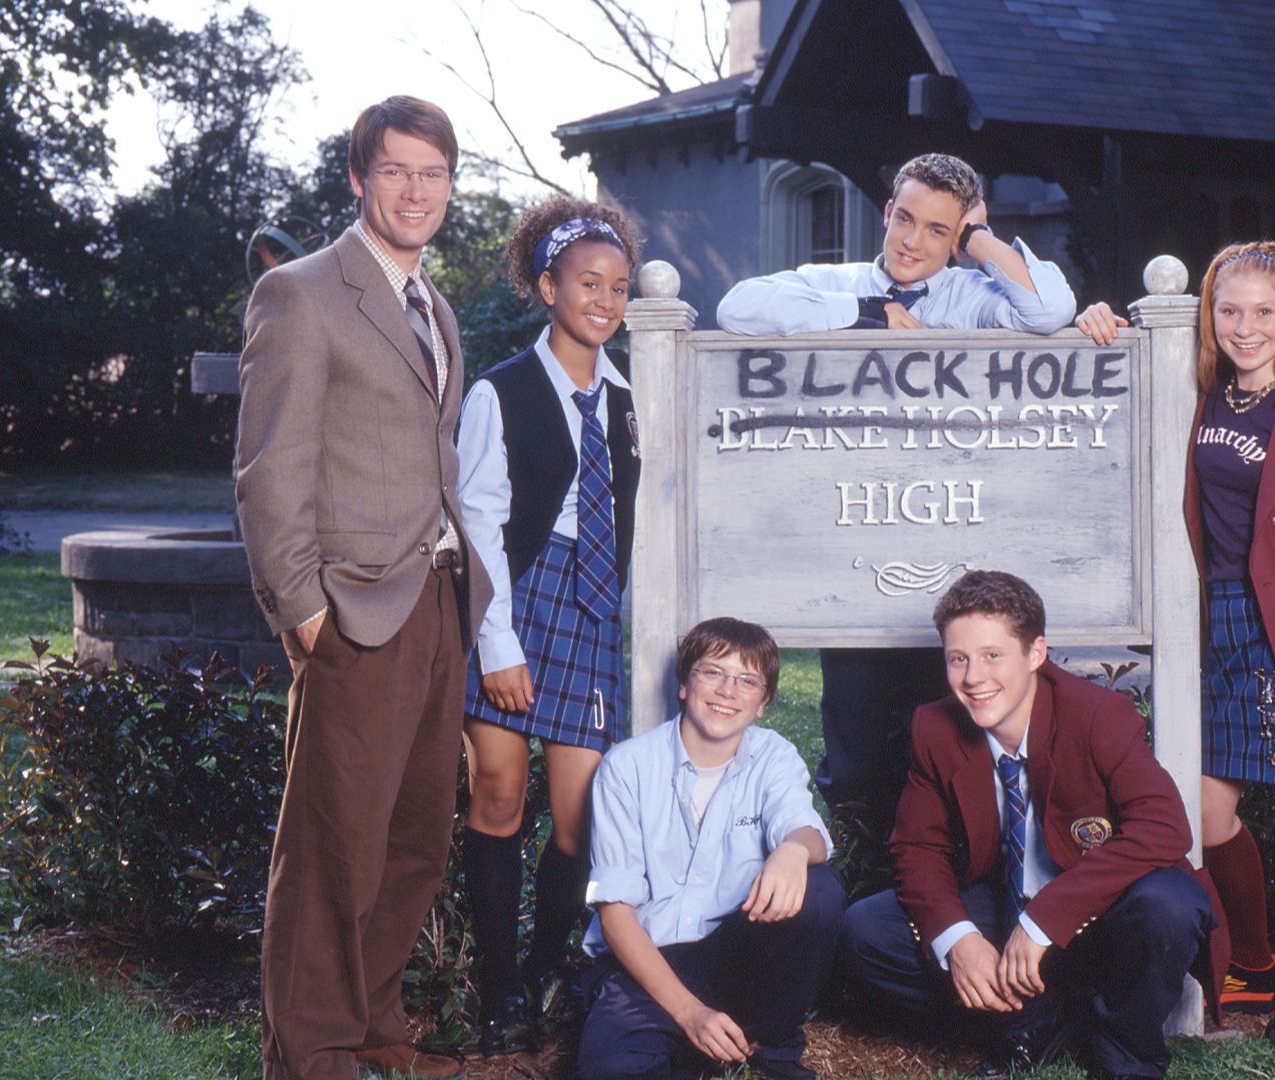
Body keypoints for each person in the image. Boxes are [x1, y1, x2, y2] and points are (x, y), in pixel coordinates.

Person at [715, 152, 1079, 869]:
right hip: (857, 534)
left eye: (938, 230)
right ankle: (860, 882)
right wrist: (862, 316)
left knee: (943, 738)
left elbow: (1048, 310)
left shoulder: (973, 296)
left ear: (958, 236)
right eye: (905, 219)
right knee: (854, 739)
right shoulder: (835, 284)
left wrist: (979, 240)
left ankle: (949, 884)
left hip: (950, 535)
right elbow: (736, 308)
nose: (913, 241)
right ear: (886, 212)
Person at [1078, 240, 1275, 1051]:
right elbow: (1116, 378)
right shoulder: (1196, 392)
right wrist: (1095, 322)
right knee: (1207, 811)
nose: (1246, 327)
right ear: (1209, 315)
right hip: (1215, 626)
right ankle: (1253, 959)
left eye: (1264, 312)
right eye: (1229, 311)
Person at [236, 95, 489, 1080]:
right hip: (353, 610)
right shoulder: (300, 294)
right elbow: (270, 469)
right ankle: (312, 1052)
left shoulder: (433, 305)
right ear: (358, 178)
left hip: (436, 598)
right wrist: (302, 608)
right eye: (395, 171)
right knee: (333, 846)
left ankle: (374, 1022)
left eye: (433, 173)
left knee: (415, 834)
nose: (415, 191)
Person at [840, 571, 1215, 1079]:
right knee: (867, 930)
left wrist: (1043, 921)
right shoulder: (935, 726)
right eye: (958, 658)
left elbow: (1164, 827)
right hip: (1001, 905)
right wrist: (958, 938)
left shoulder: (1098, 714)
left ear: (1036, 653)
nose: (974, 677)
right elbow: (916, 848)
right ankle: (1032, 1020)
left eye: (993, 655)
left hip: (1095, 913)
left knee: (1169, 903)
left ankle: (1122, 1049)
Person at [453, 197, 645, 1055]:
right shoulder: (500, 391)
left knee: (579, 819)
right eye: (587, 283)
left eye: (618, 287)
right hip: (516, 596)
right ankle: (500, 991)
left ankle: (544, 965)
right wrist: (496, 647)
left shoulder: (630, 400)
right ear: (548, 287)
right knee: (498, 792)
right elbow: (478, 525)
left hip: (592, 607)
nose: (604, 300)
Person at [577, 617, 843, 1080]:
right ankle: (689, 1044)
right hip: (649, 961)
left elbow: (808, 832)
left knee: (818, 889)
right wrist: (690, 1013)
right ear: (684, 684)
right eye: (713, 672)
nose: (727, 691)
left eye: (747, 681)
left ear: (763, 703)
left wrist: (793, 851)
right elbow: (616, 913)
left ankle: (772, 1046)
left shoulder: (773, 755)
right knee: (610, 1069)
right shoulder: (626, 767)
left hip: (736, 952)